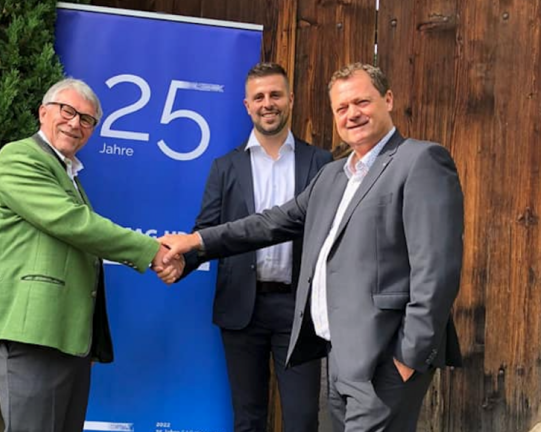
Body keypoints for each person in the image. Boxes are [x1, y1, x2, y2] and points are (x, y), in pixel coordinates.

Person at [160, 63, 464, 432]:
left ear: (388, 100)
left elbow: (437, 270)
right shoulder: (333, 175)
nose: (352, 114)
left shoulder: (420, 161)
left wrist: (410, 356)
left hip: (387, 357)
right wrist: (195, 240)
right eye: (342, 108)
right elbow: (270, 222)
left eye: (362, 102)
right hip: (340, 357)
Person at [0, 78, 182, 432]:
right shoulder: (20, 157)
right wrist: (150, 251)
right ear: (43, 112)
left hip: (66, 338)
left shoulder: (67, 173)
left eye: (86, 119)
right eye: (67, 111)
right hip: (33, 333)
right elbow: (73, 223)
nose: (75, 123)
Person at [181, 62, 332, 432]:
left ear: (290, 100)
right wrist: (179, 262)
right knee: (248, 419)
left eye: (275, 95)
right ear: (247, 106)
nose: (268, 103)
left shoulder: (321, 163)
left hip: (299, 311)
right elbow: (206, 232)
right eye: (259, 97)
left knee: (302, 420)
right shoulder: (225, 167)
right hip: (241, 308)